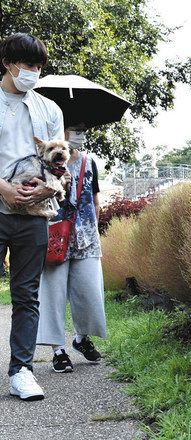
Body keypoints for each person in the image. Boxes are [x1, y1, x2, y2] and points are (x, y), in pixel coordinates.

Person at [0, 33, 64, 401]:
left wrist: (49, 188)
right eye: (28, 65)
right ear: (8, 63)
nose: (34, 72)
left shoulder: (49, 109)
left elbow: (61, 162)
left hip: (34, 215)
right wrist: (4, 188)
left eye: (39, 66)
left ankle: (21, 370)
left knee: (26, 295)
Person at [36, 123, 107, 374]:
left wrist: (95, 229)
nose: (80, 133)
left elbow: (95, 198)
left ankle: (81, 338)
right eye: (75, 128)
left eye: (82, 128)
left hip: (86, 237)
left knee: (89, 292)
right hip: (54, 236)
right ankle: (58, 350)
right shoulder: (41, 164)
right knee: (53, 295)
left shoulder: (89, 162)